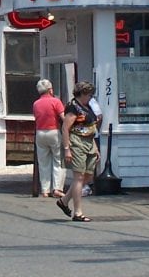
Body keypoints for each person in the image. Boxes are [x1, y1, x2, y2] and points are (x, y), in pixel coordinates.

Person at [57, 81, 100, 223]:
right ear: (82, 93)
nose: (90, 97)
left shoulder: (88, 107)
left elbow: (91, 126)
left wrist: (95, 147)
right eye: (89, 94)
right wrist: (67, 149)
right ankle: (78, 212)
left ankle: (64, 200)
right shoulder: (73, 107)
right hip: (77, 142)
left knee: (88, 176)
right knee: (79, 177)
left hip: (89, 142)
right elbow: (65, 129)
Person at [33, 79, 66, 199]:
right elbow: (63, 117)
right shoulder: (56, 101)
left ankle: (45, 190)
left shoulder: (36, 104)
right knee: (58, 160)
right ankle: (57, 188)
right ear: (50, 89)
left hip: (40, 132)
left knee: (43, 162)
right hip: (54, 131)